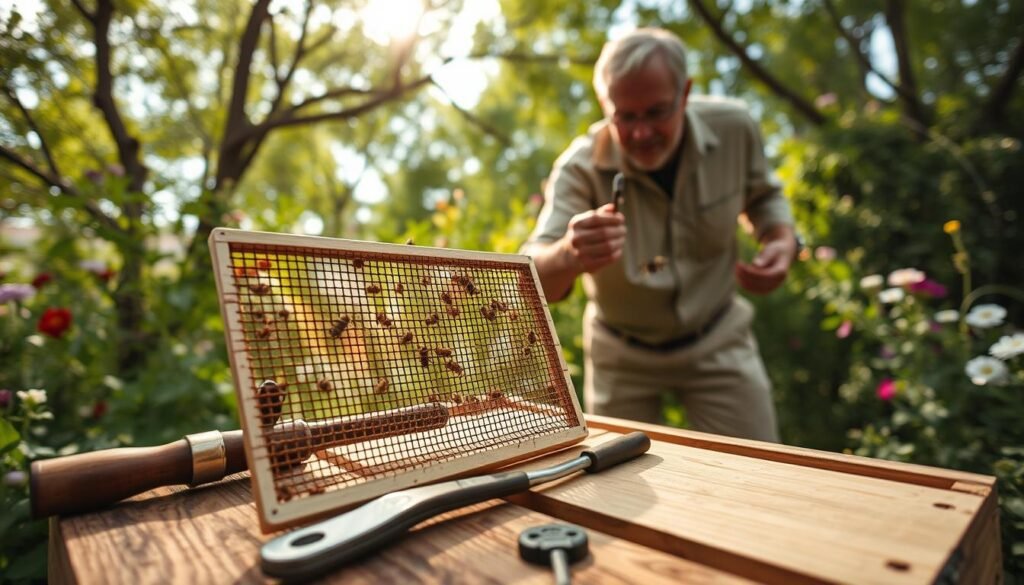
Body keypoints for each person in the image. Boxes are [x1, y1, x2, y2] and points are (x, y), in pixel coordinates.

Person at [521, 28, 798, 442]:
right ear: (604, 105)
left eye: (656, 112)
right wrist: (568, 252)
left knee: (762, 477)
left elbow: (763, 197)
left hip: (719, 337)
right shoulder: (578, 168)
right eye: (625, 116)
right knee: (620, 491)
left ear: (684, 94)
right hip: (621, 355)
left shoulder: (734, 128)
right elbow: (533, 274)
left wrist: (780, 240)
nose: (641, 132)